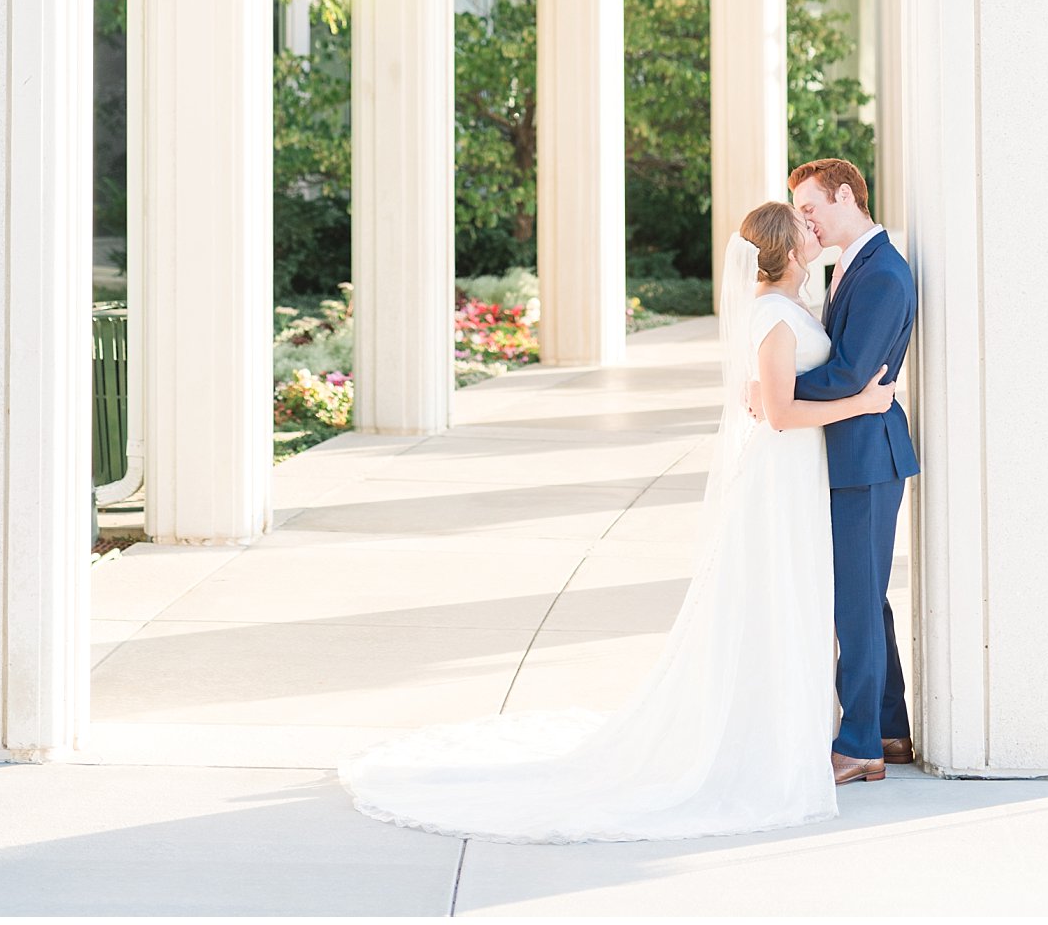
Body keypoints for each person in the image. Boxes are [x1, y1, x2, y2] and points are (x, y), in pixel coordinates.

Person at [339, 201, 895, 844]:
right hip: (778, 477)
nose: (812, 228)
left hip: (798, 477)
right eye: (803, 227)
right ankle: (756, 739)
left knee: (796, 597)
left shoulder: (795, 307)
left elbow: (773, 388)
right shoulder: (772, 315)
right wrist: (863, 401)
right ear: (791, 251)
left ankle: (787, 727)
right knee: (772, 598)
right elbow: (778, 413)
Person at [783, 157, 919, 783]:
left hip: (866, 456)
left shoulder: (883, 273)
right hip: (854, 453)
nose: (804, 221)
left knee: (856, 602)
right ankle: (889, 730)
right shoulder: (851, 268)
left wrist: (774, 390)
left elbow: (848, 375)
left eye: (810, 208)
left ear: (845, 195)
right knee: (866, 600)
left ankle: (859, 744)